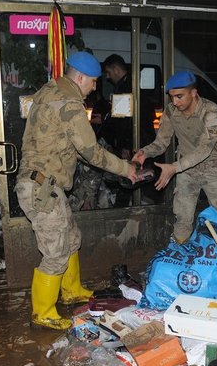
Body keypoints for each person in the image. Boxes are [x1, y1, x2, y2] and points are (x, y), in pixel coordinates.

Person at [15, 51, 137, 330]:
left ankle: (71, 290)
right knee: (55, 252)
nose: (95, 87)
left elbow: (71, 146)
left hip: (45, 184)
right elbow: (91, 151)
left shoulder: (49, 92)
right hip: (42, 187)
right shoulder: (68, 103)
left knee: (71, 238)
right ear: (80, 77)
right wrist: (125, 168)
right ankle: (43, 312)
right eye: (93, 81)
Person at [132, 70, 217, 243]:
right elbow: (161, 142)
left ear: (193, 93)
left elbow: (206, 148)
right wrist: (145, 153)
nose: (175, 101)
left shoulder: (211, 111)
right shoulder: (171, 111)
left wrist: (174, 167)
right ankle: (180, 255)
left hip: (213, 170)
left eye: (179, 96)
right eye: (172, 97)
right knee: (182, 218)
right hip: (186, 171)